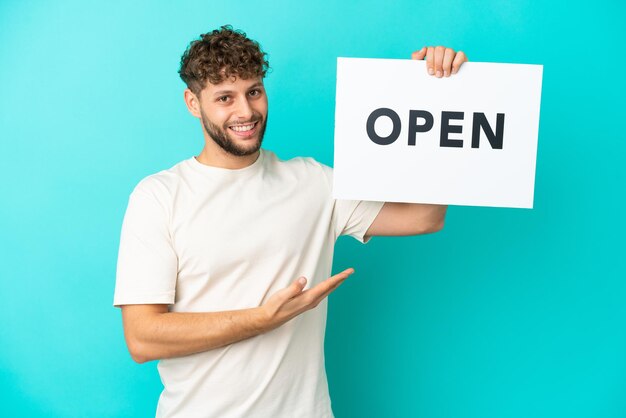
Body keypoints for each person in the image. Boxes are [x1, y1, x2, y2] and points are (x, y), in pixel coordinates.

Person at [114, 25, 468, 418]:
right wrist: (261, 320)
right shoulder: (158, 197)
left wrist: (436, 96)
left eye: (254, 91)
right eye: (225, 98)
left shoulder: (314, 182)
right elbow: (142, 338)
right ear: (193, 103)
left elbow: (424, 217)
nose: (246, 111)